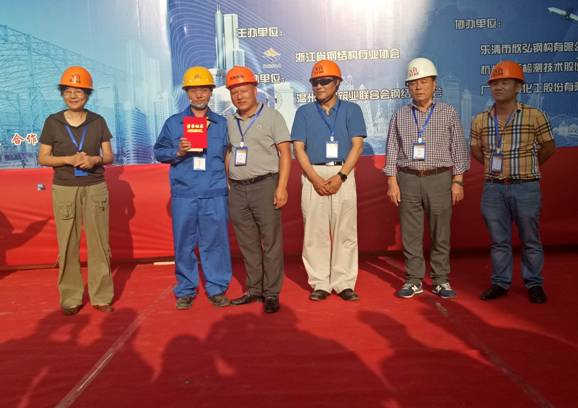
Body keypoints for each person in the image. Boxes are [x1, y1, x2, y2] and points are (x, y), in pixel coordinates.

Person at [470, 60, 555, 304]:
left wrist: (527, 167)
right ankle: (500, 282)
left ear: (518, 86)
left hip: (526, 186)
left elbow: (548, 147)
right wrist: (495, 167)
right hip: (494, 188)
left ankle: (534, 283)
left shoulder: (534, 116)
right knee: (499, 240)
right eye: (494, 83)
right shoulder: (480, 120)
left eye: (505, 82)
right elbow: (476, 151)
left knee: (530, 239)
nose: (498, 87)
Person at [385, 57, 469, 299]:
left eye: (423, 81)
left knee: (440, 231)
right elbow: (392, 149)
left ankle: (441, 279)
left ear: (434, 84)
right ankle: (413, 279)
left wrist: (458, 181)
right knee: (410, 233)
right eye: (413, 83)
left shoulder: (448, 112)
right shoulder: (400, 115)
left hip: (439, 178)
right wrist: (392, 182)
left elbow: (458, 149)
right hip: (408, 178)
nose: (418, 87)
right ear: (408, 87)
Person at [153, 66, 232, 310]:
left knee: (215, 242)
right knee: (184, 243)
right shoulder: (173, 123)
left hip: (215, 192)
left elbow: (229, 155)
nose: (199, 95)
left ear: (211, 92)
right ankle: (186, 289)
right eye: (194, 90)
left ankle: (216, 288)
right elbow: (159, 152)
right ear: (187, 93)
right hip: (184, 193)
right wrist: (178, 151)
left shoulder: (222, 124)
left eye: (204, 90)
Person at [38, 66, 114, 315]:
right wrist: (68, 160)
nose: (73, 96)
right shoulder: (53, 122)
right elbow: (43, 157)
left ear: (87, 94)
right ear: (62, 93)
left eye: (79, 91)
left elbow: (109, 155)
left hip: (95, 187)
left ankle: (101, 296)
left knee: (99, 243)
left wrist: (94, 160)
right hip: (65, 188)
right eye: (68, 91)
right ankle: (70, 298)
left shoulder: (98, 121)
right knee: (67, 244)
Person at [291, 60, 366, 302]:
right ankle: (320, 282)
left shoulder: (352, 110)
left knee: (346, 230)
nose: (319, 86)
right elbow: (298, 149)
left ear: (337, 83)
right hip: (313, 173)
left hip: (343, 173)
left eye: (325, 81)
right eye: (315, 82)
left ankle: (344, 282)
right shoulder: (303, 112)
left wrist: (341, 175)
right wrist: (314, 178)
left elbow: (357, 146)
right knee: (314, 232)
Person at [225, 66, 292, 314]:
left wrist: (281, 187)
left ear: (255, 90)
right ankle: (253, 289)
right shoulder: (229, 121)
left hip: (265, 185)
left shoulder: (273, 117)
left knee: (270, 241)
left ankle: (271, 292)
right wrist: (229, 181)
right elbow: (229, 152)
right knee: (247, 243)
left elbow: (285, 153)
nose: (239, 96)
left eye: (243, 90)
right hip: (237, 189)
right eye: (234, 92)